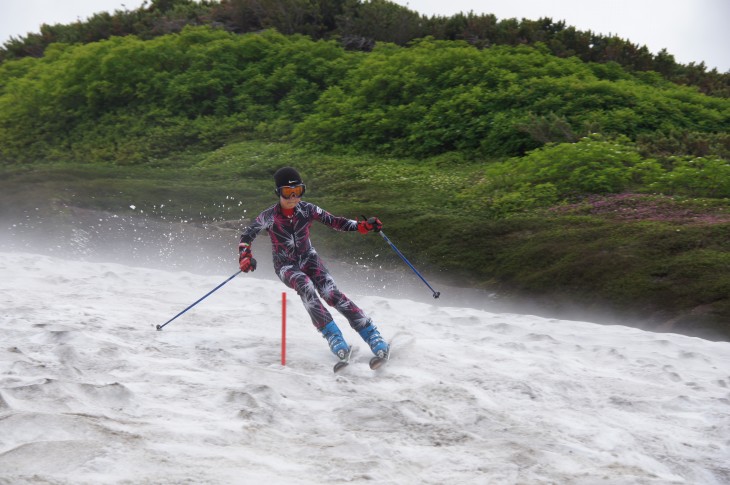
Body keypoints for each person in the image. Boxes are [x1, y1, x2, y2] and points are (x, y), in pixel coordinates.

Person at [238, 167, 389, 361]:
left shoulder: (308, 209)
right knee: (305, 286)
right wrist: (245, 256)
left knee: (330, 293)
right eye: (287, 192)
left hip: (310, 259)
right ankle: (333, 335)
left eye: (298, 191)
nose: (293, 197)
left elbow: (335, 222)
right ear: (278, 193)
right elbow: (246, 236)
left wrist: (362, 226)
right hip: (286, 266)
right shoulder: (268, 216)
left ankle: (370, 333)